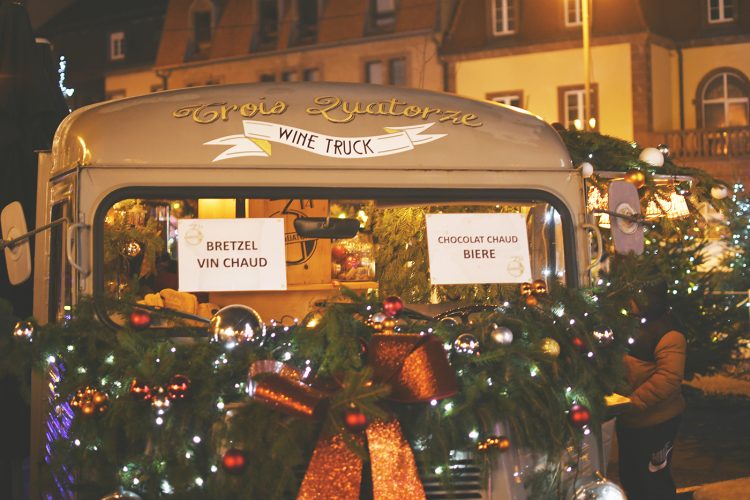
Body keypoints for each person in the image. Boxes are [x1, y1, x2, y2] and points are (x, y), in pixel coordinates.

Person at [617, 278, 686, 499]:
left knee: (653, 480)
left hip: (656, 422)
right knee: (631, 476)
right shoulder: (633, 324)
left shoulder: (668, 333)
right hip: (631, 419)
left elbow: (668, 378)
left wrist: (632, 402)